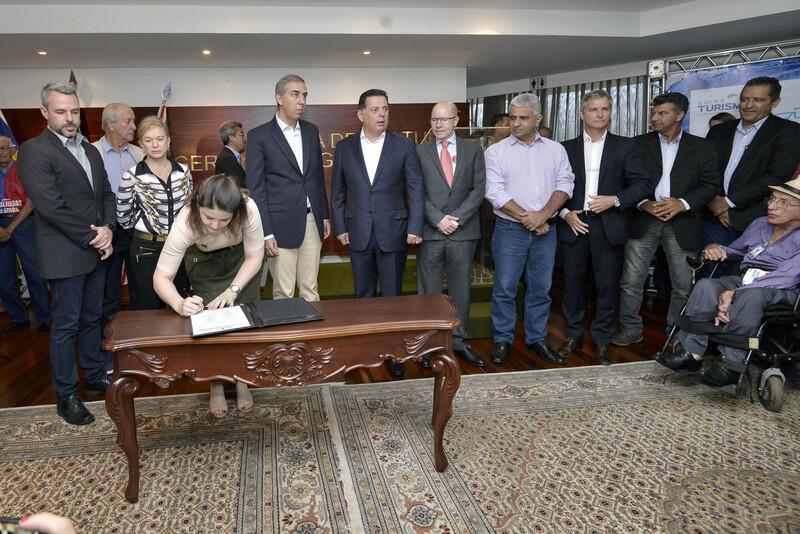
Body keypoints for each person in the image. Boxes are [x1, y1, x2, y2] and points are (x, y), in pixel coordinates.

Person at [17, 81, 115, 425]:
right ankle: (66, 396)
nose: (70, 118)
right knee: (65, 325)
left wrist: (109, 229)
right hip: (65, 253)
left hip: (96, 250)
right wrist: (96, 238)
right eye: (61, 112)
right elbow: (51, 207)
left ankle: (95, 377)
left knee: (92, 319)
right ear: (45, 112)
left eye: (74, 111)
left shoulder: (89, 150)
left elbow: (105, 195)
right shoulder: (33, 150)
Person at [655, 177, 800, 387]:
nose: (772, 206)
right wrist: (716, 248)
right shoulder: (760, 224)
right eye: (772, 199)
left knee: (751, 296)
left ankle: (731, 366)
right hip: (745, 279)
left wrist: (735, 294)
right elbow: (736, 250)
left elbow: (788, 276)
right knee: (706, 286)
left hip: (780, 288)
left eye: (783, 202)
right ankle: (690, 354)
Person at [330, 88, 425, 376]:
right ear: (361, 114)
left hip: (394, 231)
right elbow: (337, 192)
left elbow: (415, 189)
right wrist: (340, 227)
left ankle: (395, 353)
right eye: (375, 109)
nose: (382, 114)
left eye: (385, 109)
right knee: (363, 296)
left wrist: (415, 226)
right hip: (357, 231)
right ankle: (366, 350)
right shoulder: (345, 147)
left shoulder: (404, 145)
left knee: (393, 297)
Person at [153, 174, 265, 417]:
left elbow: (255, 256)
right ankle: (216, 384)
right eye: (209, 218)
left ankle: (242, 379)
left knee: (246, 320)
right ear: (197, 206)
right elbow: (161, 277)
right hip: (204, 261)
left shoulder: (248, 208)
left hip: (241, 260)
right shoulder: (185, 221)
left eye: (224, 219)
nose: (215, 226)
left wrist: (233, 290)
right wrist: (179, 303)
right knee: (214, 325)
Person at [614, 92, 719, 347]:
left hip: (683, 222)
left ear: (679, 115)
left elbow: (710, 185)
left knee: (683, 285)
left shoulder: (703, 147)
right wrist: (643, 203)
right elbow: (623, 181)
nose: (655, 118)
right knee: (631, 281)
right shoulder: (637, 144)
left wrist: (681, 203)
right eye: (654, 113)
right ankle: (630, 329)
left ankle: (676, 333)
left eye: (662, 113)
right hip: (643, 219)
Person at [556, 89, 652, 365]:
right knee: (572, 285)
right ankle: (573, 336)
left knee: (607, 286)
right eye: (594, 109)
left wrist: (615, 200)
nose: (600, 114)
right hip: (574, 223)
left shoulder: (625, 146)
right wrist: (564, 213)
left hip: (609, 225)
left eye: (605, 109)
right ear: (582, 114)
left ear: (610, 113)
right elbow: (550, 186)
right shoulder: (564, 148)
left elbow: (643, 184)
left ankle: (601, 341)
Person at [484, 93, 574, 365]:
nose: (516, 123)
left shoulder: (556, 150)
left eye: (523, 118)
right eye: (513, 117)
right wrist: (531, 219)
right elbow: (494, 192)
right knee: (505, 288)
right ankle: (502, 339)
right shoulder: (495, 151)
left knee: (541, 289)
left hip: (546, 231)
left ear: (538, 119)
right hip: (510, 230)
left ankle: (537, 339)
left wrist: (543, 216)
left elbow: (565, 184)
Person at [246, 74, 330, 301]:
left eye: (304, 95)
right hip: (279, 226)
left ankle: (313, 326)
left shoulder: (311, 131)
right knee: (283, 292)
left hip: (312, 221)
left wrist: (324, 216)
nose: (302, 101)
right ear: (279, 98)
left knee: (311, 290)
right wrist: (266, 232)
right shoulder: (259, 136)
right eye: (295, 95)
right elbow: (256, 189)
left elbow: (317, 178)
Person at [416, 101, 486, 368]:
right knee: (429, 293)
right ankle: (429, 346)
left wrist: (455, 220)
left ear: (456, 121)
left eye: (444, 119)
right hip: (431, 232)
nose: (438, 124)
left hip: (462, 232)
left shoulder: (473, 149)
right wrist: (437, 219)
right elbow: (414, 191)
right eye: (434, 119)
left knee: (461, 291)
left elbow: (479, 189)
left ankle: (458, 343)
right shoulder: (419, 152)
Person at [704, 76, 800, 247]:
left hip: (756, 219)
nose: (749, 105)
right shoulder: (719, 131)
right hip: (712, 219)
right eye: (744, 99)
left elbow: (777, 177)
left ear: (775, 102)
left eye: (758, 100)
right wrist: (714, 202)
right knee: (710, 263)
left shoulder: (789, 131)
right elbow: (704, 170)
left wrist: (727, 203)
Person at [117, 116, 193, 310]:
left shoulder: (183, 172)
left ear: (168, 141)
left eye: (160, 139)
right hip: (146, 250)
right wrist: (148, 230)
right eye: (148, 140)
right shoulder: (132, 176)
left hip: (179, 245)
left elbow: (189, 208)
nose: (155, 145)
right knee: (150, 306)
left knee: (181, 302)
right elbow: (124, 217)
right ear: (141, 144)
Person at [92, 103, 144, 325]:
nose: (134, 126)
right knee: (108, 287)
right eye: (128, 121)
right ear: (111, 124)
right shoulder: (90, 153)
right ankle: (110, 336)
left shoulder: (140, 153)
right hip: (106, 230)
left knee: (141, 284)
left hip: (137, 229)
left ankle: (143, 332)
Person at [0, 135, 51, 333]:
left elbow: (30, 203)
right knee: (3, 277)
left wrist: (10, 229)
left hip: (24, 224)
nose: (1, 153)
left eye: (4, 148)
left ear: (13, 150)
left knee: (34, 274)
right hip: (0, 226)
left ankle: (44, 318)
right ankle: (18, 317)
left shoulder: (24, 170)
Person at [215, 119, 246, 189]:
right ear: (231, 137)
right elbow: (236, 187)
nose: (244, 139)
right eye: (241, 135)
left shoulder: (229, 156)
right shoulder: (227, 158)